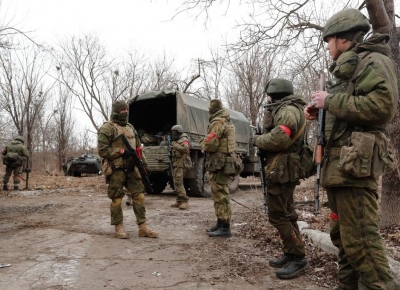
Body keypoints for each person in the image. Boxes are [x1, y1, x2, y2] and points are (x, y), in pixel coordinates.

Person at [304, 8, 397, 290]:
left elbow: (382, 107)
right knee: (344, 238)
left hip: (355, 171)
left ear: (343, 39)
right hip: (342, 169)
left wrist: (330, 102)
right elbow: (351, 111)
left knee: (362, 243)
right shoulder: (351, 67)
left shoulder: (373, 61)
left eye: (329, 40)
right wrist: (319, 110)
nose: (328, 46)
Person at [253, 78, 309, 279]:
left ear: (274, 94)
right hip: (282, 169)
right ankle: (291, 252)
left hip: (283, 170)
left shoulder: (287, 111)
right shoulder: (288, 108)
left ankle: (298, 258)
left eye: (270, 94)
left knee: (278, 215)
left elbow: (279, 138)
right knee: (287, 213)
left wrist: (257, 140)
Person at [97, 100, 158, 239]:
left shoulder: (130, 127)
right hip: (116, 169)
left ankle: (143, 227)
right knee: (117, 199)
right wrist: (121, 152)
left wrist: (144, 164)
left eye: (126, 110)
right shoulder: (107, 128)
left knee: (139, 196)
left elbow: (138, 148)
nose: (125, 112)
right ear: (116, 111)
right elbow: (102, 150)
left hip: (133, 168)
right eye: (122, 110)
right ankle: (119, 228)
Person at [200, 99, 236, 238]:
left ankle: (225, 227)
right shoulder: (226, 120)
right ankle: (220, 223)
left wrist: (202, 143)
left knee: (220, 194)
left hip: (219, 163)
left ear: (211, 110)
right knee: (219, 193)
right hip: (222, 162)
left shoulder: (218, 122)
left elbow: (210, 144)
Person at [169, 124, 191, 210]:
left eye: (174, 132)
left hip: (181, 164)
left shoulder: (184, 139)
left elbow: (185, 149)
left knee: (178, 181)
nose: (173, 134)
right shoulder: (176, 140)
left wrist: (174, 145)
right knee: (176, 182)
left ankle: (185, 201)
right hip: (176, 163)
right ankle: (179, 200)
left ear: (179, 132)